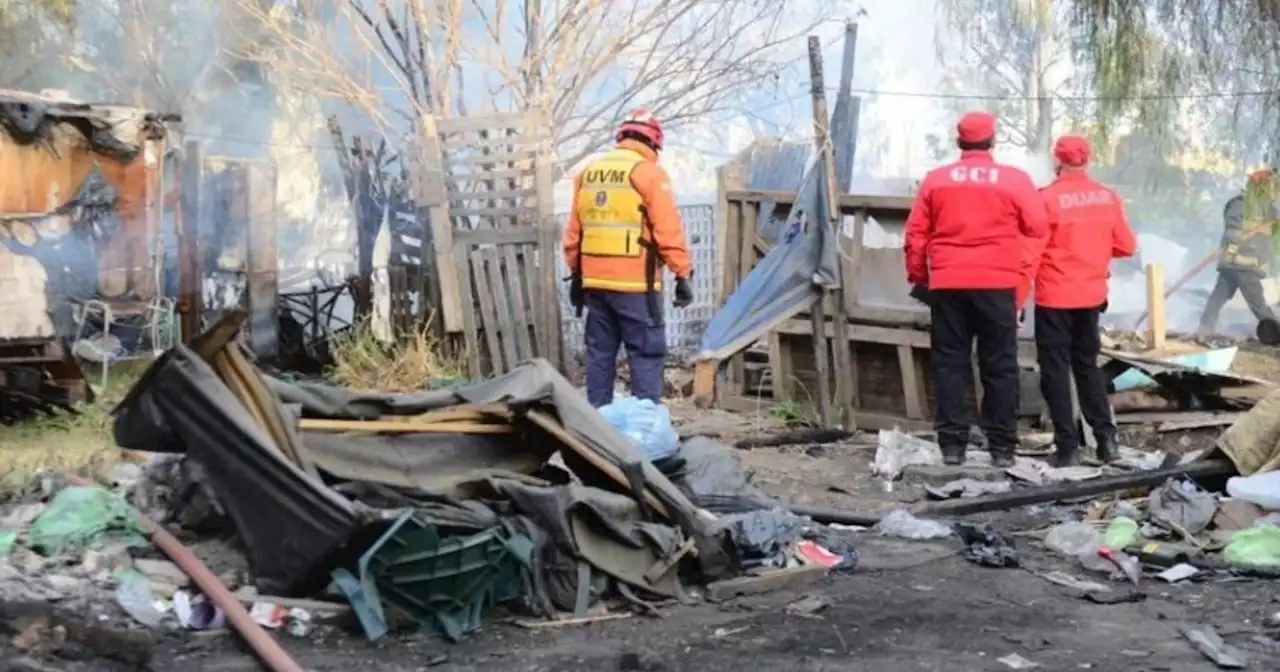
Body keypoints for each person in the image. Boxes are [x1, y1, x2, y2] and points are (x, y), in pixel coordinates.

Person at [904, 111, 1049, 467]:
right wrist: (1021, 278)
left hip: (949, 283)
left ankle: (953, 447)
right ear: (992, 141)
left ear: (959, 141)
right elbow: (1037, 227)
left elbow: (915, 235)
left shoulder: (936, 180)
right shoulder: (1014, 180)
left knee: (949, 363)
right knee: (1000, 365)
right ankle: (1001, 448)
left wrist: (921, 277)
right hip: (997, 283)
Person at [563, 108, 694, 408]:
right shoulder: (649, 174)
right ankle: (644, 429)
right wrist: (682, 273)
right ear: (654, 144)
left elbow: (573, 233)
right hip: (636, 286)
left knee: (599, 355)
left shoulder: (587, 174)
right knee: (645, 354)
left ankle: (597, 430)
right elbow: (667, 229)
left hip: (594, 284)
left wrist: (576, 273)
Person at [1031, 135, 1137, 467]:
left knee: (1055, 370)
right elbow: (1126, 246)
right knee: (1087, 367)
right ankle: (1107, 442)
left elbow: (1031, 249)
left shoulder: (1045, 198)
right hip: (1091, 297)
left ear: (1057, 161)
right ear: (1086, 160)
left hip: (1054, 297)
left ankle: (1067, 449)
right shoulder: (1108, 197)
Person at [1197, 169, 1279, 335]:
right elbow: (1235, 233)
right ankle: (1276, 334)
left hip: (1233, 263)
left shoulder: (1251, 205)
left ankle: (1205, 329)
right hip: (1244, 264)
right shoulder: (1244, 205)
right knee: (1258, 304)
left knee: (1217, 298)